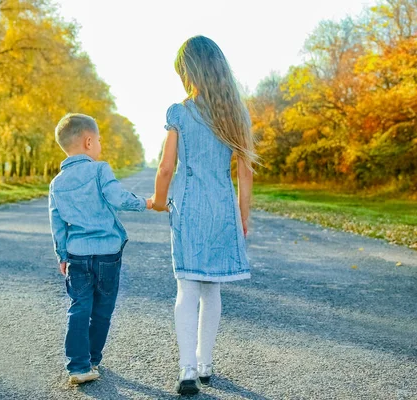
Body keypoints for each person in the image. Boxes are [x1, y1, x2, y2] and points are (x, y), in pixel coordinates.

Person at [151, 35, 256, 395]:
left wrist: (159, 200)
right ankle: (206, 363)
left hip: (190, 207)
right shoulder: (235, 114)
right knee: (212, 288)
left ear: (189, 72)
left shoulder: (180, 112)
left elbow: (166, 168)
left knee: (187, 288)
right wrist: (242, 216)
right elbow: (245, 172)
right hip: (222, 209)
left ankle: (187, 370)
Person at [49, 113, 153, 384]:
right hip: (107, 254)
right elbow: (116, 197)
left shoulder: (56, 183)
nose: (100, 145)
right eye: (98, 140)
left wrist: (62, 255)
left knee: (79, 307)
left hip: (77, 255)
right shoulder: (99, 169)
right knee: (103, 309)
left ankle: (78, 366)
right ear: (87, 142)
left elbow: (57, 223)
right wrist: (147, 203)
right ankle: (93, 357)